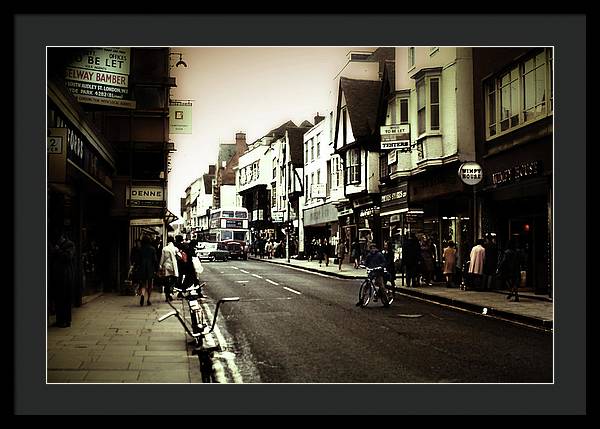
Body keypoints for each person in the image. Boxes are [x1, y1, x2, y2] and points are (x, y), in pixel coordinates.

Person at [49, 230, 75, 328]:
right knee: (58, 299)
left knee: (65, 299)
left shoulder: (69, 244)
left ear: (62, 237)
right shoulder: (57, 245)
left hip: (65, 277)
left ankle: (66, 321)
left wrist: (57, 250)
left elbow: (68, 257)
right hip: (57, 277)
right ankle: (59, 320)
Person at [138, 235, 158, 306]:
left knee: (143, 284)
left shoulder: (140, 249)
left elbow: (138, 260)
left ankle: (142, 295)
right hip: (150, 268)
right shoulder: (152, 249)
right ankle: (148, 300)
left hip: (142, 268)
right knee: (150, 285)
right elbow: (155, 260)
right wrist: (156, 269)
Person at [159, 236, 179, 302]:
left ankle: (167, 295)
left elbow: (162, 258)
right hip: (173, 266)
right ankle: (170, 291)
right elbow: (179, 257)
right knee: (173, 279)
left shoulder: (165, 249)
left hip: (166, 266)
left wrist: (160, 265)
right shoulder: (175, 249)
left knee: (166, 281)